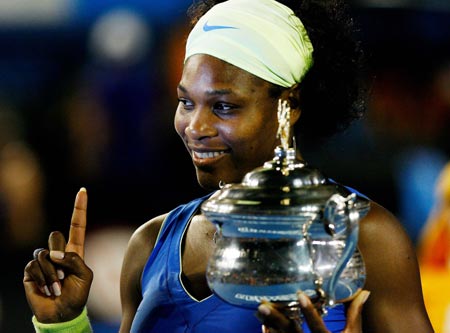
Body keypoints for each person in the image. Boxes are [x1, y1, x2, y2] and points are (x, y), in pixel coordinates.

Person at [23, 0, 434, 332]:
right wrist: (65, 325)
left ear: (288, 106)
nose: (195, 127)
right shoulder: (149, 245)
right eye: (187, 102)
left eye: (223, 107)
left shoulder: (365, 239)